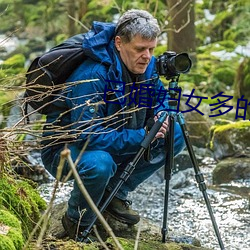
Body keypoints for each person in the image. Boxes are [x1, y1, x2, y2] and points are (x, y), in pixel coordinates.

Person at [41, 9, 185, 241]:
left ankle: (115, 193)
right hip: (67, 150)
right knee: (100, 164)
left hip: (116, 136)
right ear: (119, 43)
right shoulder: (92, 75)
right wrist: (142, 135)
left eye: (151, 49)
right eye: (140, 49)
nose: (147, 56)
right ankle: (76, 221)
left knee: (175, 131)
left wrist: (162, 114)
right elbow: (87, 136)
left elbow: (161, 97)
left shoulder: (146, 66)